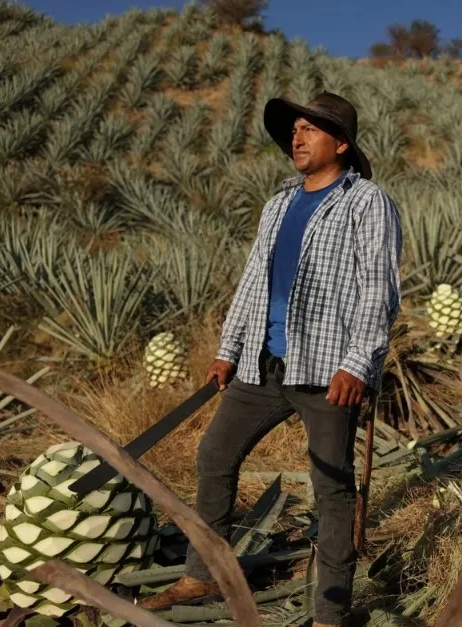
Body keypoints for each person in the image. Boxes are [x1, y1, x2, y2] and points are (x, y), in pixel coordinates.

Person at [138, 92, 403, 627]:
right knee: (214, 454)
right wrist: (227, 350)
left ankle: (330, 610)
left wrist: (358, 363)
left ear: (342, 143)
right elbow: (254, 282)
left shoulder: (366, 202)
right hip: (264, 366)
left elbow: (379, 287)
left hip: (329, 372)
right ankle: (205, 572)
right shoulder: (278, 203)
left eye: (310, 130)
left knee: (331, 486)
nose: (297, 139)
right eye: (294, 130)